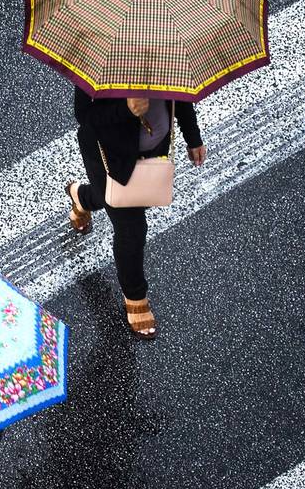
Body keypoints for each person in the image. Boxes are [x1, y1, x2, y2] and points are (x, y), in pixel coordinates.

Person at [65, 89, 207, 339]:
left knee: (119, 198)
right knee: (132, 228)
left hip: (154, 151)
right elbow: (84, 115)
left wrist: (192, 136)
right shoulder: (110, 68)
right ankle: (135, 296)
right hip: (111, 158)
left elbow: (180, 93)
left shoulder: (166, 63)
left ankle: (82, 197)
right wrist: (126, 109)